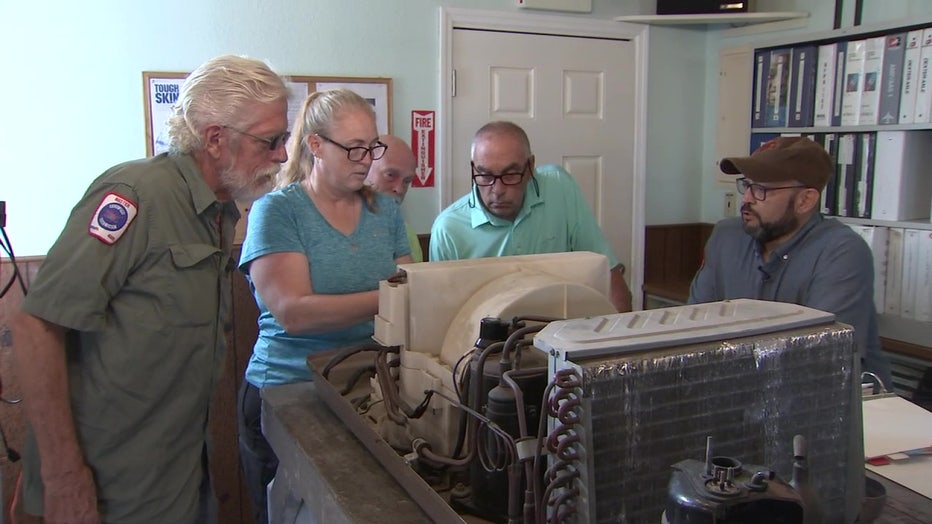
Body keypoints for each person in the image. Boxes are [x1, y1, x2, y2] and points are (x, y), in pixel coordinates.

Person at [12, 55, 290, 523]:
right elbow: (36, 325)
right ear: (216, 139)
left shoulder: (218, 211)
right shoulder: (135, 195)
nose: (283, 154)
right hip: (105, 488)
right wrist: (61, 475)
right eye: (271, 141)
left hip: (175, 476)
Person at [237, 88, 412, 523]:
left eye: (371, 148)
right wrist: (388, 298)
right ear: (315, 145)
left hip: (369, 388)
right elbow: (293, 312)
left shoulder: (385, 212)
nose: (366, 160)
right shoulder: (278, 212)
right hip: (288, 389)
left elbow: (413, 289)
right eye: (353, 149)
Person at [688, 136, 894, 388]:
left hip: (834, 401)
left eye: (762, 189)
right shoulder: (726, 236)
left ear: (805, 200)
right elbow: (693, 329)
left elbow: (821, 358)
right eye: (747, 185)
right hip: (739, 393)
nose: (747, 199)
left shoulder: (841, 250)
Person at [429, 120, 632, 312]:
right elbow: (441, 314)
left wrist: (621, 336)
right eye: (485, 175)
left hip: (560, 328)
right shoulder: (448, 230)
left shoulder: (560, 189)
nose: (497, 190)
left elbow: (608, 273)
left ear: (531, 167)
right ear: (473, 168)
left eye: (510, 175)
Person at [365, 134, 423, 262]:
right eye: (390, 175)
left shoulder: (407, 235)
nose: (400, 189)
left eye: (407, 181)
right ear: (365, 168)